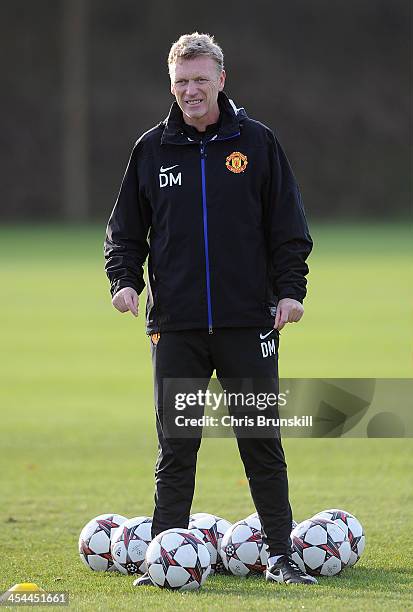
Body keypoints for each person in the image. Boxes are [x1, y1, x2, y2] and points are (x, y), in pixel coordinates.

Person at [104, 32, 315, 586]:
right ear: (170, 85)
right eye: (181, 82)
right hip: (176, 325)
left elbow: (288, 229)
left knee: (260, 441)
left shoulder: (259, 142)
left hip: (250, 321)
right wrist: (124, 281)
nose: (191, 90)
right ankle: (161, 560)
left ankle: (280, 557)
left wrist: (292, 291)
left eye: (200, 79)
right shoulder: (151, 150)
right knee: (177, 446)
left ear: (222, 78)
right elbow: (124, 233)